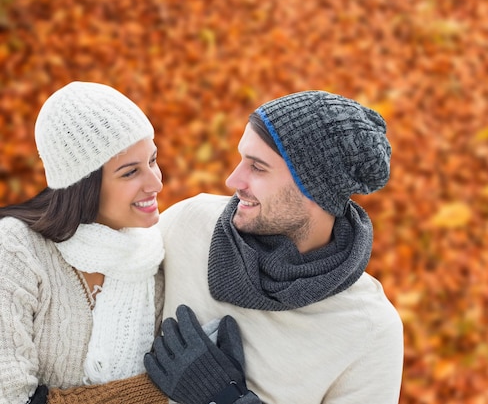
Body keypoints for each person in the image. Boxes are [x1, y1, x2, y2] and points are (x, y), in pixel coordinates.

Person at [148, 90, 404, 403]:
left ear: (313, 189)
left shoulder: (370, 329)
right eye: (241, 159)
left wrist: (225, 399)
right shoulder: (190, 225)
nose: (234, 179)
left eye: (257, 167)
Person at [0, 81, 171, 404]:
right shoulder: (17, 249)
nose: (156, 182)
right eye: (130, 172)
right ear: (83, 186)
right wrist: (147, 393)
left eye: (152, 160)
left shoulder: (152, 258)